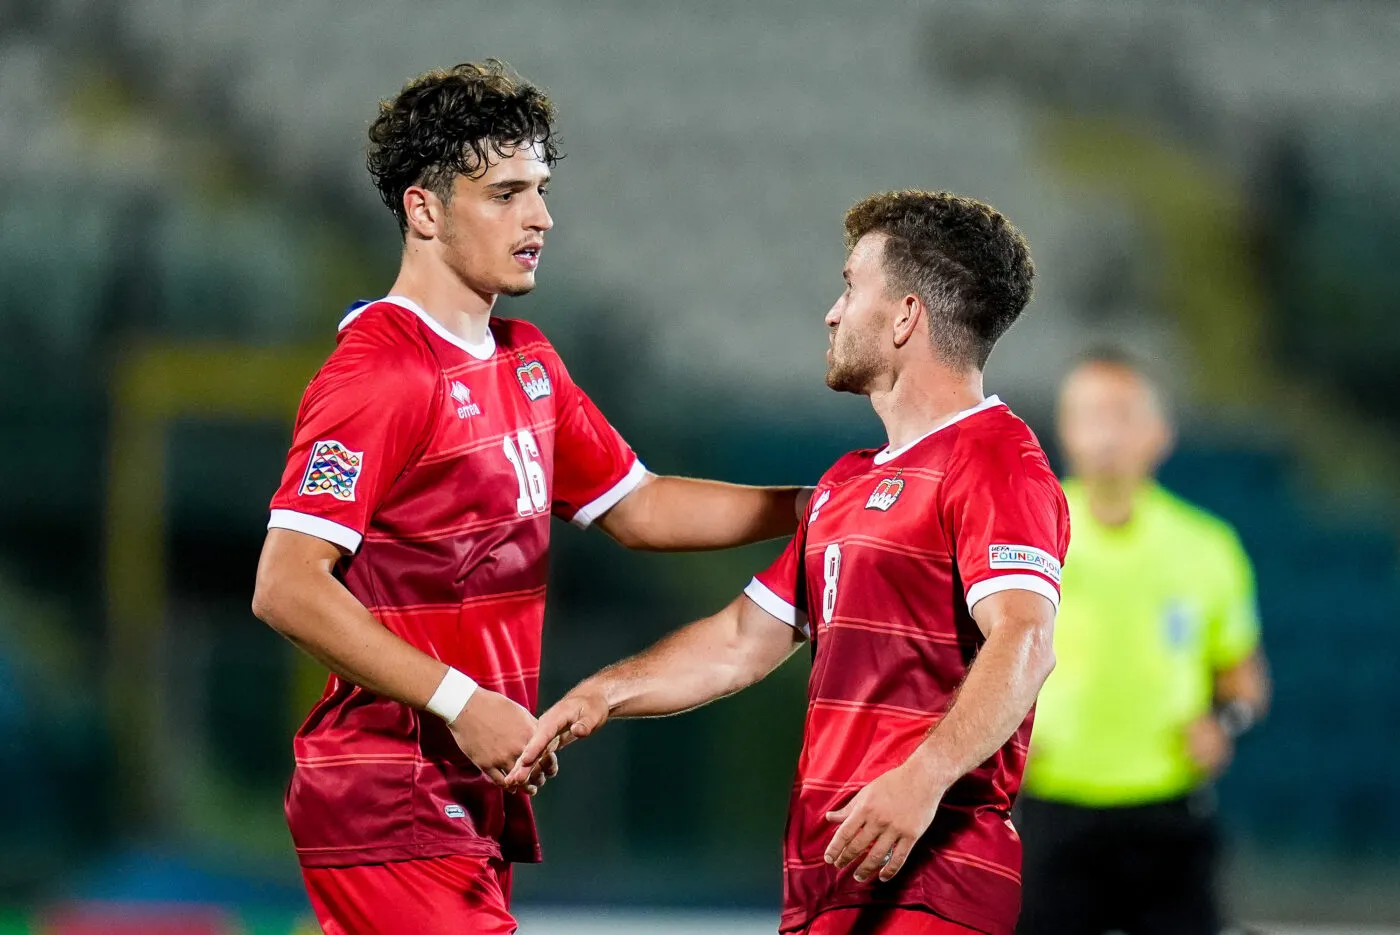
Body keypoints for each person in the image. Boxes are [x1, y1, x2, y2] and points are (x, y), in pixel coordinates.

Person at [250, 61, 807, 935]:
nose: (540, 217)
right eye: (506, 194)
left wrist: (816, 504)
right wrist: (462, 702)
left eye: (540, 190)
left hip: (464, 792)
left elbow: (640, 506)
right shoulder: (382, 372)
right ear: (424, 211)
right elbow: (285, 584)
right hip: (391, 787)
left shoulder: (527, 361)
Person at [511, 191, 1070, 935]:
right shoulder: (847, 483)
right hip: (826, 882)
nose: (833, 314)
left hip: (929, 878)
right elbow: (741, 642)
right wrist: (605, 693)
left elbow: (1025, 638)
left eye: (850, 287)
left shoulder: (997, 460)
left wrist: (924, 778)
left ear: (905, 316)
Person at [1015, 351, 1271, 935]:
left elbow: (1244, 679)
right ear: (1064, 431)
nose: (1105, 433)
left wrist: (1223, 720)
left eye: (1122, 414)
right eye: (1089, 415)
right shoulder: (1023, 537)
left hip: (1168, 811)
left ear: (1160, 432)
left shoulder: (1208, 548)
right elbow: (965, 653)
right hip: (1053, 807)